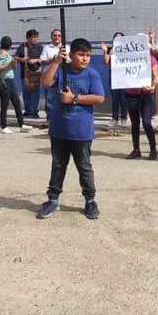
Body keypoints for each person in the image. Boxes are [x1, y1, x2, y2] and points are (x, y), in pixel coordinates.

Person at [37, 38, 105, 220]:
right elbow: (45, 81)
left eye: (88, 55)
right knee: (58, 166)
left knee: (84, 166)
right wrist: (57, 61)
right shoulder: (61, 70)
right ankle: (52, 200)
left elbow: (99, 98)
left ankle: (90, 200)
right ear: (71, 54)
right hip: (59, 129)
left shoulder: (92, 74)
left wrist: (75, 98)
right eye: (81, 55)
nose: (85, 59)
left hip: (81, 131)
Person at [104, 33, 158, 160]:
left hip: (146, 94)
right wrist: (108, 52)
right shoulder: (125, 59)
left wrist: (152, 86)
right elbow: (109, 63)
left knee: (146, 122)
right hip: (131, 93)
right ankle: (136, 149)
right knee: (135, 123)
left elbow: (156, 78)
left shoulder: (151, 60)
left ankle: (153, 149)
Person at [0, 36, 26, 134]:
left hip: (10, 79)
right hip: (4, 80)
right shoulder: (0, 55)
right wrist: (10, 64)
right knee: (5, 103)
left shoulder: (7, 54)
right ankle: (3, 125)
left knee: (16, 101)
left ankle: (22, 124)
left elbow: (10, 67)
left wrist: (13, 65)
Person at [15, 29, 44, 119]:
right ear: (27, 38)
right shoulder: (22, 47)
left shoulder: (40, 47)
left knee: (35, 93)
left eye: (36, 37)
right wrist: (22, 59)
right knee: (26, 92)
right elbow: (16, 57)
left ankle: (35, 111)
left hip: (36, 74)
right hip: (25, 73)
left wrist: (35, 60)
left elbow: (44, 59)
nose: (35, 39)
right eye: (33, 37)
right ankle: (27, 111)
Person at [39, 28, 64, 130]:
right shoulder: (47, 48)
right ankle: (49, 119)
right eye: (55, 35)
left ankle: (62, 118)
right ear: (51, 37)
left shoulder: (66, 47)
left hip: (62, 75)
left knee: (62, 96)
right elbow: (42, 62)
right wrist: (54, 59)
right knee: (49, 98)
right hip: (50, 76)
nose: (57, 37)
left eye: (59, 35)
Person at [105, 31, 127, 129]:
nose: (117, 40)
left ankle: (124, 118)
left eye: (120, 38)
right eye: (116, 38)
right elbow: (106, 62)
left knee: (123, 98)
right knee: (115, 98)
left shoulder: (127, 49)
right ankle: (114, 118)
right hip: (113, 75)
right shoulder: (110, 49)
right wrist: (106, 52)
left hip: (124, 75)